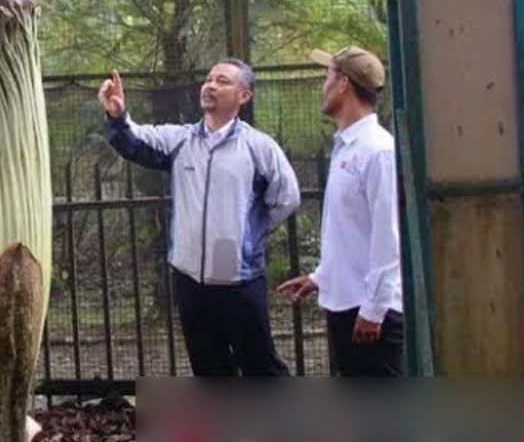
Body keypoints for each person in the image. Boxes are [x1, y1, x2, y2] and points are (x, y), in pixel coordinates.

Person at [99, 59, 300, 376]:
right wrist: (117, 114)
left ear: (244, 96)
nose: (211, 85)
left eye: (223, 81)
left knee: (260, 367)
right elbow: (135, 139)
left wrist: (250, 234)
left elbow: (286, 198)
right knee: (208, 370)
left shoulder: (259, 147)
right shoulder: (181, 140)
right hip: (190, 278)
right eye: (208, 79)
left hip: (239, 279)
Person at [277, 46, 404, 376]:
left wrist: (374, 309)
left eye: (327, 76)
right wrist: (321, 276)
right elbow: (350, 230)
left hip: (370, 313)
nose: (324, 84)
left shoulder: (378, 151)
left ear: (343, 83)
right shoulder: (348, 147)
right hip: (345, 304)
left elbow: (388, 236)